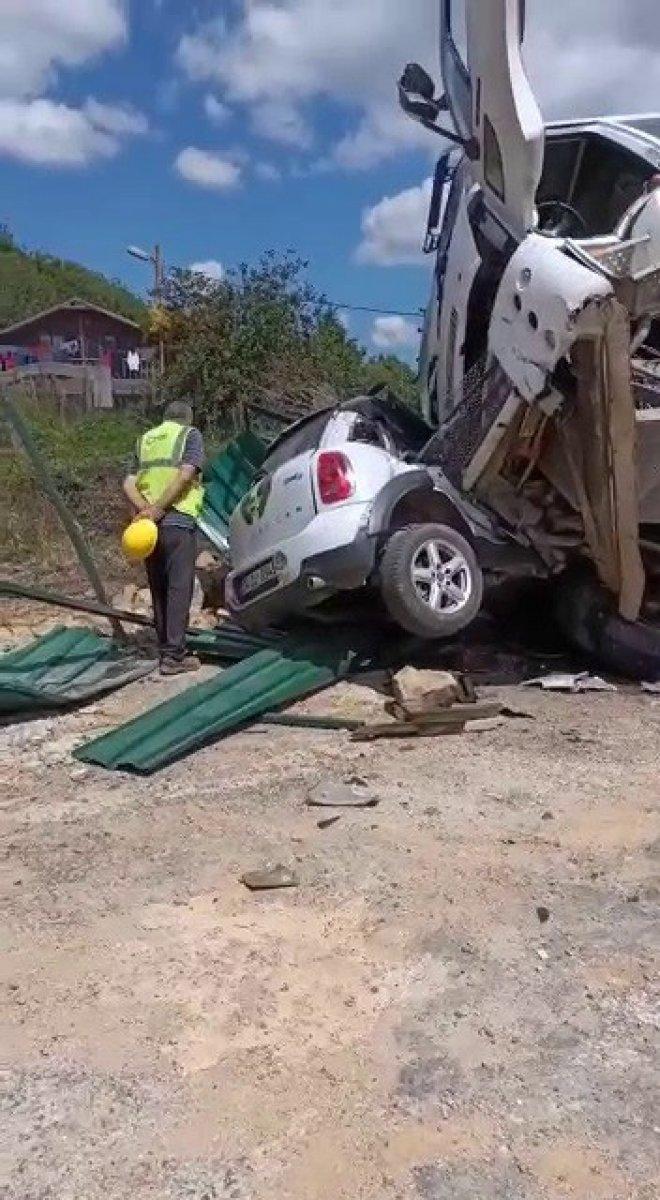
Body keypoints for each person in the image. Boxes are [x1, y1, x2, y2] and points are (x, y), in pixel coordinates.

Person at [123, 400, 205, 676]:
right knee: (179, 588)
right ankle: (174, 656)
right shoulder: (189, 435)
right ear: (187, 418)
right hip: (177, 521)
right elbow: (185, 475)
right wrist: (159, 508)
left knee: (158, 588)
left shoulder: (144, 440)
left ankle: (164, 649)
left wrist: (145, 511)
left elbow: (128, 482)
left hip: (148, 529)